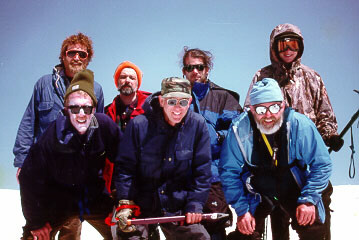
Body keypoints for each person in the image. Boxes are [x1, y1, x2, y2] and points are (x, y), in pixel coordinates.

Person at [243, 23, 342, 239]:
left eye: (293, 44)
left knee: (319, 202)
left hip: (306, 160)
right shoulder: (262, 76)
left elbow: (324, 112)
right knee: (278, 211)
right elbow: (248, 115)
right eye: (282, 45)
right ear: (274, 48)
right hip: (273, 160)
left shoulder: (312, 77)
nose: (288, 49)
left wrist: (329, 135)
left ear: (301, 47)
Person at [13, 32, 104, 239]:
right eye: (72, 53)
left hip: (74, 178)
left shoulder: (96, 90)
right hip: (43, 175)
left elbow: (98, 134)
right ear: (63, 56)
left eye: (83, 54)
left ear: (88, 58)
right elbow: (28, 122)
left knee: (71, 230)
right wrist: (21, 161)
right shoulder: (44, 84)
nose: (77, 58)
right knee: (37, 230)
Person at [220, 78, 332, 240]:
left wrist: (309, 199)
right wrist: (242, 210)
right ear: (251, 109)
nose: (268, 115)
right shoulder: (239, 130)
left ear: (283, 105)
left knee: (312, 226)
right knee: (245, 234)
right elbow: (229, 172)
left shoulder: (300, 125)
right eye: (260, 109)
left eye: (274, 107)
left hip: (294, 184)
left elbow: (322, 164)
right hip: (259, 188)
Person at [19, 69, 122, 240]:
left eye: (87, 108)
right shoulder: (51, 137)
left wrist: (122, 199)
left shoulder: (104, 126)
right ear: (66, 110)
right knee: (34, 237)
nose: (81, 114)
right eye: (75, 108)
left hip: (94, 199)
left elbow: (125, 161)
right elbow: (28, 179)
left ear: (94, 109)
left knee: (126, 230)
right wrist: (36, 222)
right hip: (59, 202)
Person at [114, 77, 212, 240]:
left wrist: (194, 204)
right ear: (161, 101)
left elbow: (202, 171)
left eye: (183, 102)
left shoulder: (198, 125)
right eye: (172, 101)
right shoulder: (138, 126)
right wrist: (125, 203)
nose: (177, 108)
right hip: (142, 205)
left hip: (178, 206)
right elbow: (125, 169)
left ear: (189, 103)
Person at [181, 47, 243, 239]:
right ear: (184, 71)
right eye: (189, 67)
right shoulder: (177, 98)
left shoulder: (223, 96)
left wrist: (217, 137)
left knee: (214, 227)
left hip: (213, 175)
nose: (195, 72)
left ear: (207, 69)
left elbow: (238, 130)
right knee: (186, 228)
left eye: (199, 67)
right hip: (183, 176)